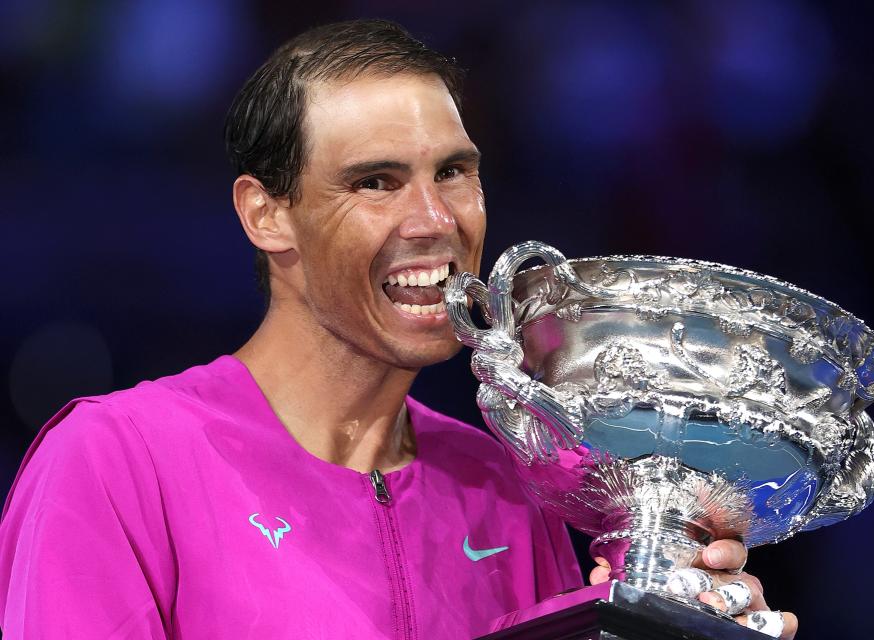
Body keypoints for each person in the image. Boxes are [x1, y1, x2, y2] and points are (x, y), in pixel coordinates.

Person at [0, 19, 797, 639]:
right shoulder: (115, 461)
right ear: (266, 214)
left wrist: (667, 618)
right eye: (374, 182)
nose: (434, 220)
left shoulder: (513, 492)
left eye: (453, 172)